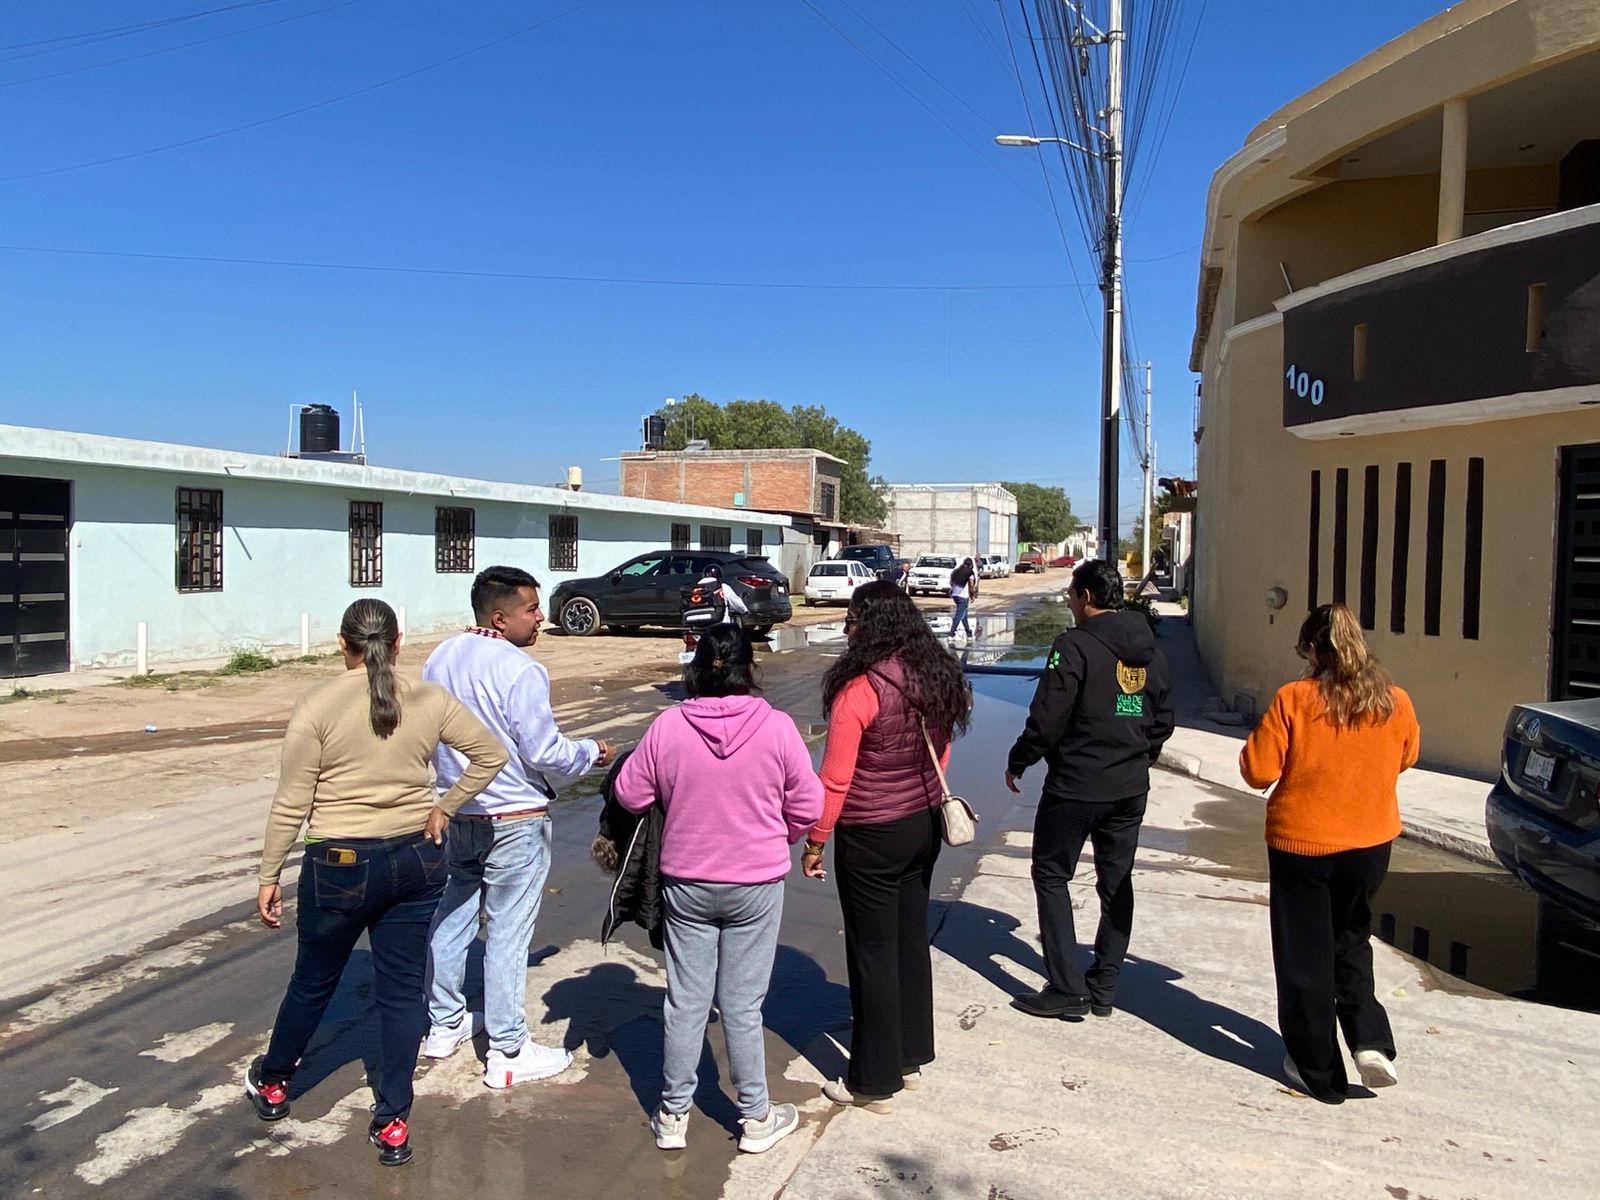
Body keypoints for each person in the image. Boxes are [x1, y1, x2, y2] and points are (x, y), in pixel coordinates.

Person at [246, 599, 507, 1167]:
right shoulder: (430, 699)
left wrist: (269, 875)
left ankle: (275, 1082)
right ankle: (392, 1121)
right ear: (398, 643)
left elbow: (291, 803)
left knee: (313, 980)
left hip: (339, 865)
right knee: (401, 991)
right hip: (416, 859)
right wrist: (445, 807)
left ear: (342, 643)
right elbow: (491, 754)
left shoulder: (318, 704)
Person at [613, 624, 822, 1153]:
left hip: (686, 881)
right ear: (751, 669)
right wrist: (780, 836)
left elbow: (630, 794)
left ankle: (672, 1115)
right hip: (757, 881)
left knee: (685, 1001)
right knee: (743, 1004)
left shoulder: (668, 726)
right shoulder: (778, 728)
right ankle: (755, 1117)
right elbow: (808, 805)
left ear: (696, 670)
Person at [421, 566, 615, 1089]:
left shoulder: (441, 658)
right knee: (508, 932)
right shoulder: (520, 669)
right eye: (531, 609)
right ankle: (508, 1049)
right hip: (514, 816)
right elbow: (543, 750)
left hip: (459, 809)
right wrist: (591, 752)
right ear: (500, 617)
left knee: (455, 915)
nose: (541, 618)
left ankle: (444, 1023)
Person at [1240, 603, 1420, 1104]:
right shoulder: (1395, 700)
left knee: (1304, 956)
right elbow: (1407, 756)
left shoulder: (1294, 699)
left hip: (1303, 845)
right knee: (1351, 939)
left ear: (1314, 651)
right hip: (1370, 844)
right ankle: (1370, 1041)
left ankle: (1317, 1070)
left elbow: (1257, 770)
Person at [802, 581, 971, 1113]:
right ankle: (910, 1055)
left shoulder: (861, 688)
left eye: (852, 619)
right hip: (922, 825)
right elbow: (942, 750)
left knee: (872, 953)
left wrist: (816, 839)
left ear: (871, 624)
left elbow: (835, 778)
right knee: (908, 941)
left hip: (871, 833)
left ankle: (872, 1081)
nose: (847, 628)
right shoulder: (935, 674)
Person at [1004, 558, 1173, 1020]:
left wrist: (1020, 759)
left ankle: (1067, 987)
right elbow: (1163, 719)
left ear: (1087, 597)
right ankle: (1104, 985)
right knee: (1116, 882)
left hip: (1076, 786)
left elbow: (1048, 717)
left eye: (1071, 595)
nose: (1069, 602)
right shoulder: (1151, 650)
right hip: (1128, 788)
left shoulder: (1073, 646)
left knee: (1051, 874)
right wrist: (1138, 757)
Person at [949, 557, 978, 641]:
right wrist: (972, 595)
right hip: (963, 596)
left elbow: (951, 582)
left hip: (955, 595)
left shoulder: (956, 571)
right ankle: (951, 633)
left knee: (964, 615)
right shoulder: (970, 573)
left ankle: (968, 633)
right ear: (971, 565)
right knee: (959, 615)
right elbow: (971, 586)